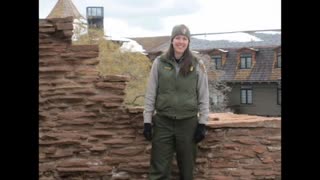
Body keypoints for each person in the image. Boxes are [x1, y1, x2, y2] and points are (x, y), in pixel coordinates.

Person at [143, 24, 209, 180]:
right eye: (178, 38)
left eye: (184, 39)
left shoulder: (197, 64)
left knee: (187, 170)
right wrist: (147, 121)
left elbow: (204, 96)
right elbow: (151, 93)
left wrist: (202, 123)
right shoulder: (159, 62)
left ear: (188, 42)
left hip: (188, 123)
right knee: (158, 169)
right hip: (163, 122)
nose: (181, 42)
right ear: (172, 40)